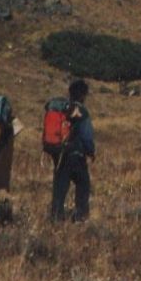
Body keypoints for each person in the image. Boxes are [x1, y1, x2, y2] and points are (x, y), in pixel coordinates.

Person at [49, 79, 95, 222]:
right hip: (76, 155)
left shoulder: (62, 109)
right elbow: (86, 135)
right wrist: (91, 151)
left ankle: (56, 218)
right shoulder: (82, 111)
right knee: (83, 184)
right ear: (83, 95)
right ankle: (80, 217)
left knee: (60, 187)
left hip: (60, 154)